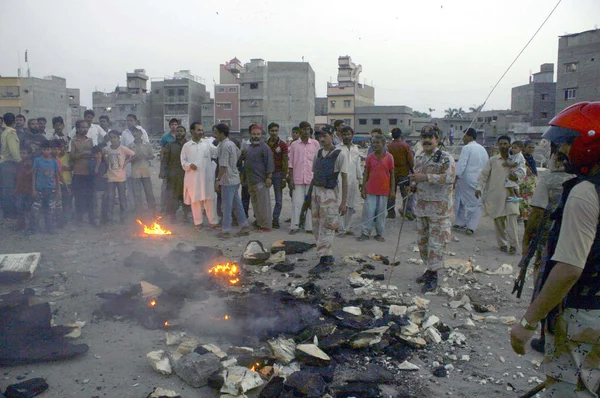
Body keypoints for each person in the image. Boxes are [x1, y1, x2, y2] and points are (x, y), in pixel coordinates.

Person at [510, 101, 600, 397]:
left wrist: (527, 322)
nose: (561, 151)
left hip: (580, 317)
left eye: (567, 143)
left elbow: (569, 269)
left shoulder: (585, 193)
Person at [521, 143, 575, 354]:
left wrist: (527, 241)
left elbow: (536, 214)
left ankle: (546, 336)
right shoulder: (588, 181)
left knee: (545, 285)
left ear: (554, 155)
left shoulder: (550, 179)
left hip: (551, 245)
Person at [411, 125, 456, 293]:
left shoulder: (445, 158)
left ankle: (433, 275)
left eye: (430, 137)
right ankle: (429, 269)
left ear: (438, 139)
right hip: (422, 207)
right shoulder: (420, 156)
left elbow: (450, 178)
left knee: (436, 243)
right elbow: (417, 175)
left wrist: (426, 177)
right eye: (424, 137)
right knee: (423, 242)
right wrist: (414, 184)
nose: (427, 140)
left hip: (439, 210)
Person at [308, 127, 348, 274]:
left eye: (324, 136)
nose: (322, 139)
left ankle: (324, 260)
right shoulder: (318, 153)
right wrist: (309, 196)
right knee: (316, 225)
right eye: (319, 136)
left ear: (332, 135)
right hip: (316, 193)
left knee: (328, 226)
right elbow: (315, 174)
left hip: (330, 194)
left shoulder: (340, 155)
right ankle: (326, 255)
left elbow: (344, 178)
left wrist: (343, 202)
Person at [476, 136, 521, 255]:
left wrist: (516, 177)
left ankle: (513, 245)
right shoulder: (493, 160)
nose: (503, 146)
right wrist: (478, 188)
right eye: (501, 144)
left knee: (512, 220)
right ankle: (502, 244)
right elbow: (483, 175)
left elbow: (522, 174)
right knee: (499, 220)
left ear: (510, 145)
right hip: (497, 194)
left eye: (505, 144)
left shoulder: (517, 159)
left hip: (512, 194)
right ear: (497, 145)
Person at [214, 123, 251, 239]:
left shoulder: (225, 146)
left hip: (228, 180)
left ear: (221, 133)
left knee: (227, 206)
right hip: (234, 177)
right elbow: (239, 154)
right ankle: (244, 225)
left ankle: (226, 230)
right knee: (237, 204)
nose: (214, 135)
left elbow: (223, 166)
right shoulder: (231, 144)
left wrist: (217, 180)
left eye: (215, 132)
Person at [357, 134, 395, 242]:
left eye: (377, 142)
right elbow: (366, 173)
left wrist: (392, 189)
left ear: (383, 144)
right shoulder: (370, 157)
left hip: (384, 189)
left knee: (381, 213)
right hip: (371, 189)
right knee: (368, 212)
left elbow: (392, 174)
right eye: (373, 142)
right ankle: (365, 233)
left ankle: (379, 233)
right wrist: (363, 187)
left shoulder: (389, 157)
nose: (375, 145)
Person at [181, 122, 218, 230]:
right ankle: (198, 222)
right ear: (192, 131)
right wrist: (189, 165)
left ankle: (213, 222)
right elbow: (183, 162)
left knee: (209, 199)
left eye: (202, 130)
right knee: (196, 200)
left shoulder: (206, 143)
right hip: (193, 178)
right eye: (198, 130)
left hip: (207, 177)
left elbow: (216, 152)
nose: (201, 132)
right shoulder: (186, 146)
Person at [453, 128, 489, 235]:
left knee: (461, 201)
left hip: (466, 179)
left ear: (469, 137)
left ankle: (465, 224)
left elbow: (462, 164)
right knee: (475, 202)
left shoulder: (467, 148)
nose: (463, 139)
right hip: (479, 180)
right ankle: (466, 224)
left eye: (464, 136)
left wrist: (456, 176)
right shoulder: (482, 149)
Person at [288, 121, 320, 234]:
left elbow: (318, 162)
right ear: (300, 130)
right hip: (297, 178)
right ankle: (295, 226)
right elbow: (290, 164)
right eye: (304, 129)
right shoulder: (294, 145)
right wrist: (290, 179)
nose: (306, 131)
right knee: (297, 203)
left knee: (311, 203)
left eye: (308, 129)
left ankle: (309, 227)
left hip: (311, 178)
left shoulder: (315, 144)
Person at [245, 125, 275, 232]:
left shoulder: (265, 148)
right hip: (250, 181)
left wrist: (269, 177)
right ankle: (259, 223)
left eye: (258, 134)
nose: (256, 136)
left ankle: (266, 226)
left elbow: (270, 163)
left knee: (264, 204)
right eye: (254, 134)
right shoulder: (249, 148)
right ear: (251, 135)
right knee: (255, 204)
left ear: (261, 135)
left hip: (261, 181)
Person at [103, 130, 134, 224]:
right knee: (110, 198)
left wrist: (126, 162)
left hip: (121, 178)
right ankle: (110, 218)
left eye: (114, 137)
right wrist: (106, 160)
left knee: (122, 198)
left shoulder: (123, 149)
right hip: (110, 177)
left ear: (118, 138)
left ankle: (123, 218)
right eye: (111, 137)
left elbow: (133, 155)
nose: (113, 139)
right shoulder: (106, 149)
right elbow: (104, 156)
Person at [337, 126, 362, 236]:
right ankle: (340, 228)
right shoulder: (337, 148)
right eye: (344, 134)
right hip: (340, 180)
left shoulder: (356, 148)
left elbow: (358, 166)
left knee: (351, 205)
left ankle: (347, 227)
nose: (346, 136)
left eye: (348, 134)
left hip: (353, 181)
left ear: (352, 135)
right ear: (341, 135)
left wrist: (360, 180)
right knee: (341, 203)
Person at [31, 141, 61, 233]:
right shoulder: (37, 160)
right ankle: (33, 228)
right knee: (35, 210)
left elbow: (57, 176)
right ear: (41, 150)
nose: (46, 152)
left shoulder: (54, 161)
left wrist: (58, 190)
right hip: (40, 189)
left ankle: (50, 228)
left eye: (48, 149)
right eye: (44, 149)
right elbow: (34, 175)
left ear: (51, 150)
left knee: (50, 210)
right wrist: (33, 189)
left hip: (51, 189)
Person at [162, 126, 190, 223]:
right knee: (172, 197)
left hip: (186, 175)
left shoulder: (189, 145)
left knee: (185, 196)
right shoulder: (170, 145)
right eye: (177, 131)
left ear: (185, 133)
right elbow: (165, 159)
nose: (179, 133)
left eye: (181, 131)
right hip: (172, 175)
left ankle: (186, 216)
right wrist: (163, 171)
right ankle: (172, 216)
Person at [387, 127, 414, 220]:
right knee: (406, 195)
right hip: (403, 173)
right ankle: (407, 211)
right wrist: (413, 171)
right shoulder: (405, 146)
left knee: (391, 193)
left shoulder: (388, 146)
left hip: (392, 174)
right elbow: (411, 161)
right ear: (400, 135)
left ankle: (390, 213)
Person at [70, 120, 94, 224]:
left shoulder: (90, 141)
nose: (85, 129)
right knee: (78, 197)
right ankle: (79, 219)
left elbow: (93, 154)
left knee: (89, 196)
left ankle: (90, 219)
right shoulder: (73, 141)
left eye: (86, 127)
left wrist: (81, 153)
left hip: (89, 173)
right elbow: (72, 156)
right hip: (78, 173)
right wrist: (84, 153)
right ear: (78, 129)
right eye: (82, 127)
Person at [128, 126, 156, 214]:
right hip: (135, 172)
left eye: (137, 132)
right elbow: (128, 159)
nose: (135, 134)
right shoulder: (130, 146)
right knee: (137, 193)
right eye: (134, 133)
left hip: (145, 171)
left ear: (141, 134)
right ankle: (139, 211)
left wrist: (145, 156)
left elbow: (152, 156)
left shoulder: (147, 145)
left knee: (149, 192)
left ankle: (152, 210)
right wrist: (134, 158)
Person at [266, 122, 288, 229]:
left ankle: (275, 219)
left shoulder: (282, 145)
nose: (274, 133)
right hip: (267, 175)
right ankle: (263, 219)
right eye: (272, 131)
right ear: (269, 131)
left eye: (276, 130)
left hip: (279, 174)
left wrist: (284, 177)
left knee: (278, 200)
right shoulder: (265, 144)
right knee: (264, 198)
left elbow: (285, 161)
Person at [0, 113, 21, 219]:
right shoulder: (11, 133)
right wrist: (20, 162)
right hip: (10, 163)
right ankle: (10, 212)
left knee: (6, 189)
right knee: (9, 189)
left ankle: (7, 211)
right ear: (14, 121)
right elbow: (14, 150)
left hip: (5, 163)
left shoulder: (4, 132)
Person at [159, 118, 179, 213]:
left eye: (175, 124)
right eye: (172, 125)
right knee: (166, 187)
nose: (174, 126)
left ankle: (176, 208)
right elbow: (162, 152)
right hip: (168, 165)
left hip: (179, 166)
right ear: (169, 126)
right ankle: (163, 207)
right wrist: (162, 168)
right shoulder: (165, 137)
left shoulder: (181, 136)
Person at [14, 145, 34, 233]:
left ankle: (29, 226)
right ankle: (20, 224)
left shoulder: (32, 165)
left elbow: (33, 178)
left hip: (28, 191)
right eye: (21, 153)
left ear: (29, 155)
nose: (22, 155)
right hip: (20, 190)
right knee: (19, 207)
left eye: (24, 153)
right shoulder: (19, 164)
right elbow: (17, 177)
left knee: (28, 208)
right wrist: (16, 188)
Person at [519, 140, 538, 225]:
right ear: (524, 148)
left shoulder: (532, 159)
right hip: (522, 186)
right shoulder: (520, 159)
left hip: (530, 186)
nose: (531, 149)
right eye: (529, 147)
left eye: (533, 147)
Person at [90, 146, 108, 225]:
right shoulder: (92, 163)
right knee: (97, 205)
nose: (98, 155)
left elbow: (108, 170)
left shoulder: (104, 163)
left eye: (100, 153)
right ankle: (96, 221)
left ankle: (104, 219)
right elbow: (95, 173)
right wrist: (97, 163)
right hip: (97, 186)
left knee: (105, 204)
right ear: (93, 155)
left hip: (105, 186)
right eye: (96, 154)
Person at [55, 139, 72, 225]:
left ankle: (65, 220)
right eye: (58, 148)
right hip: (57, 183)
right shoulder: (54, 158)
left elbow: (72, 167)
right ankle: (58, 221)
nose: (61, 149)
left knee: (66, 202)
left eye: (63, 147)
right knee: (57, 203)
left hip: (67, 182)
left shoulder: (68, 156)